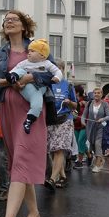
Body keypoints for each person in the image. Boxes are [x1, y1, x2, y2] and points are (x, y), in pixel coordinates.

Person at [0, 10, 55, 217]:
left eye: (14, 19)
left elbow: (54, 76)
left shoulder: (36, 49)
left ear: (24, 26)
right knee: (19, 162)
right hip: (8, 110)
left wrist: (31, 79)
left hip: (32, 112)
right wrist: (6, 82)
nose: (9, 21)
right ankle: (34, 213)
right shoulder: (0, 53)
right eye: (6, 20)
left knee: (20, 160)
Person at [5, 38, 63, 133]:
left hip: (37, 90)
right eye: (29, 51)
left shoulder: (47, 63)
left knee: (37, 105)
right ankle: (13, 78)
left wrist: (57, 77)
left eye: (32, 51)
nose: (29, 53)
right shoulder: (25, 62)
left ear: (42, 55)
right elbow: (16, 68)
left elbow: (57, 71)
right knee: (21, 70)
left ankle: (29, 120)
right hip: (23, 87)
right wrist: (12, 75)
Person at [45, 60, 77, 189]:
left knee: (59, 149)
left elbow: (75, 105)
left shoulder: (68, 85)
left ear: (62, 70)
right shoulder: (47, 85)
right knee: (53, 150)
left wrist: (69, 102)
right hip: (51, 120)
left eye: (58, 68)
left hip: (65, 120)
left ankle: (52, 179)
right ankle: (62, 176)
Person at [83, 87, 109, 173]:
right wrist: (83, 121)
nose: (96, 94)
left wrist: (102, 119)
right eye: (95, 93)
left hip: (100, 127)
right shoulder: (89, 103)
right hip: (90, 127)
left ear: (101, 94)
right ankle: (100, 159)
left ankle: (97, 164)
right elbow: (84, 114)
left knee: (97, 144)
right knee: (91, 145)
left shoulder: (105, 104)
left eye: (98, 93)